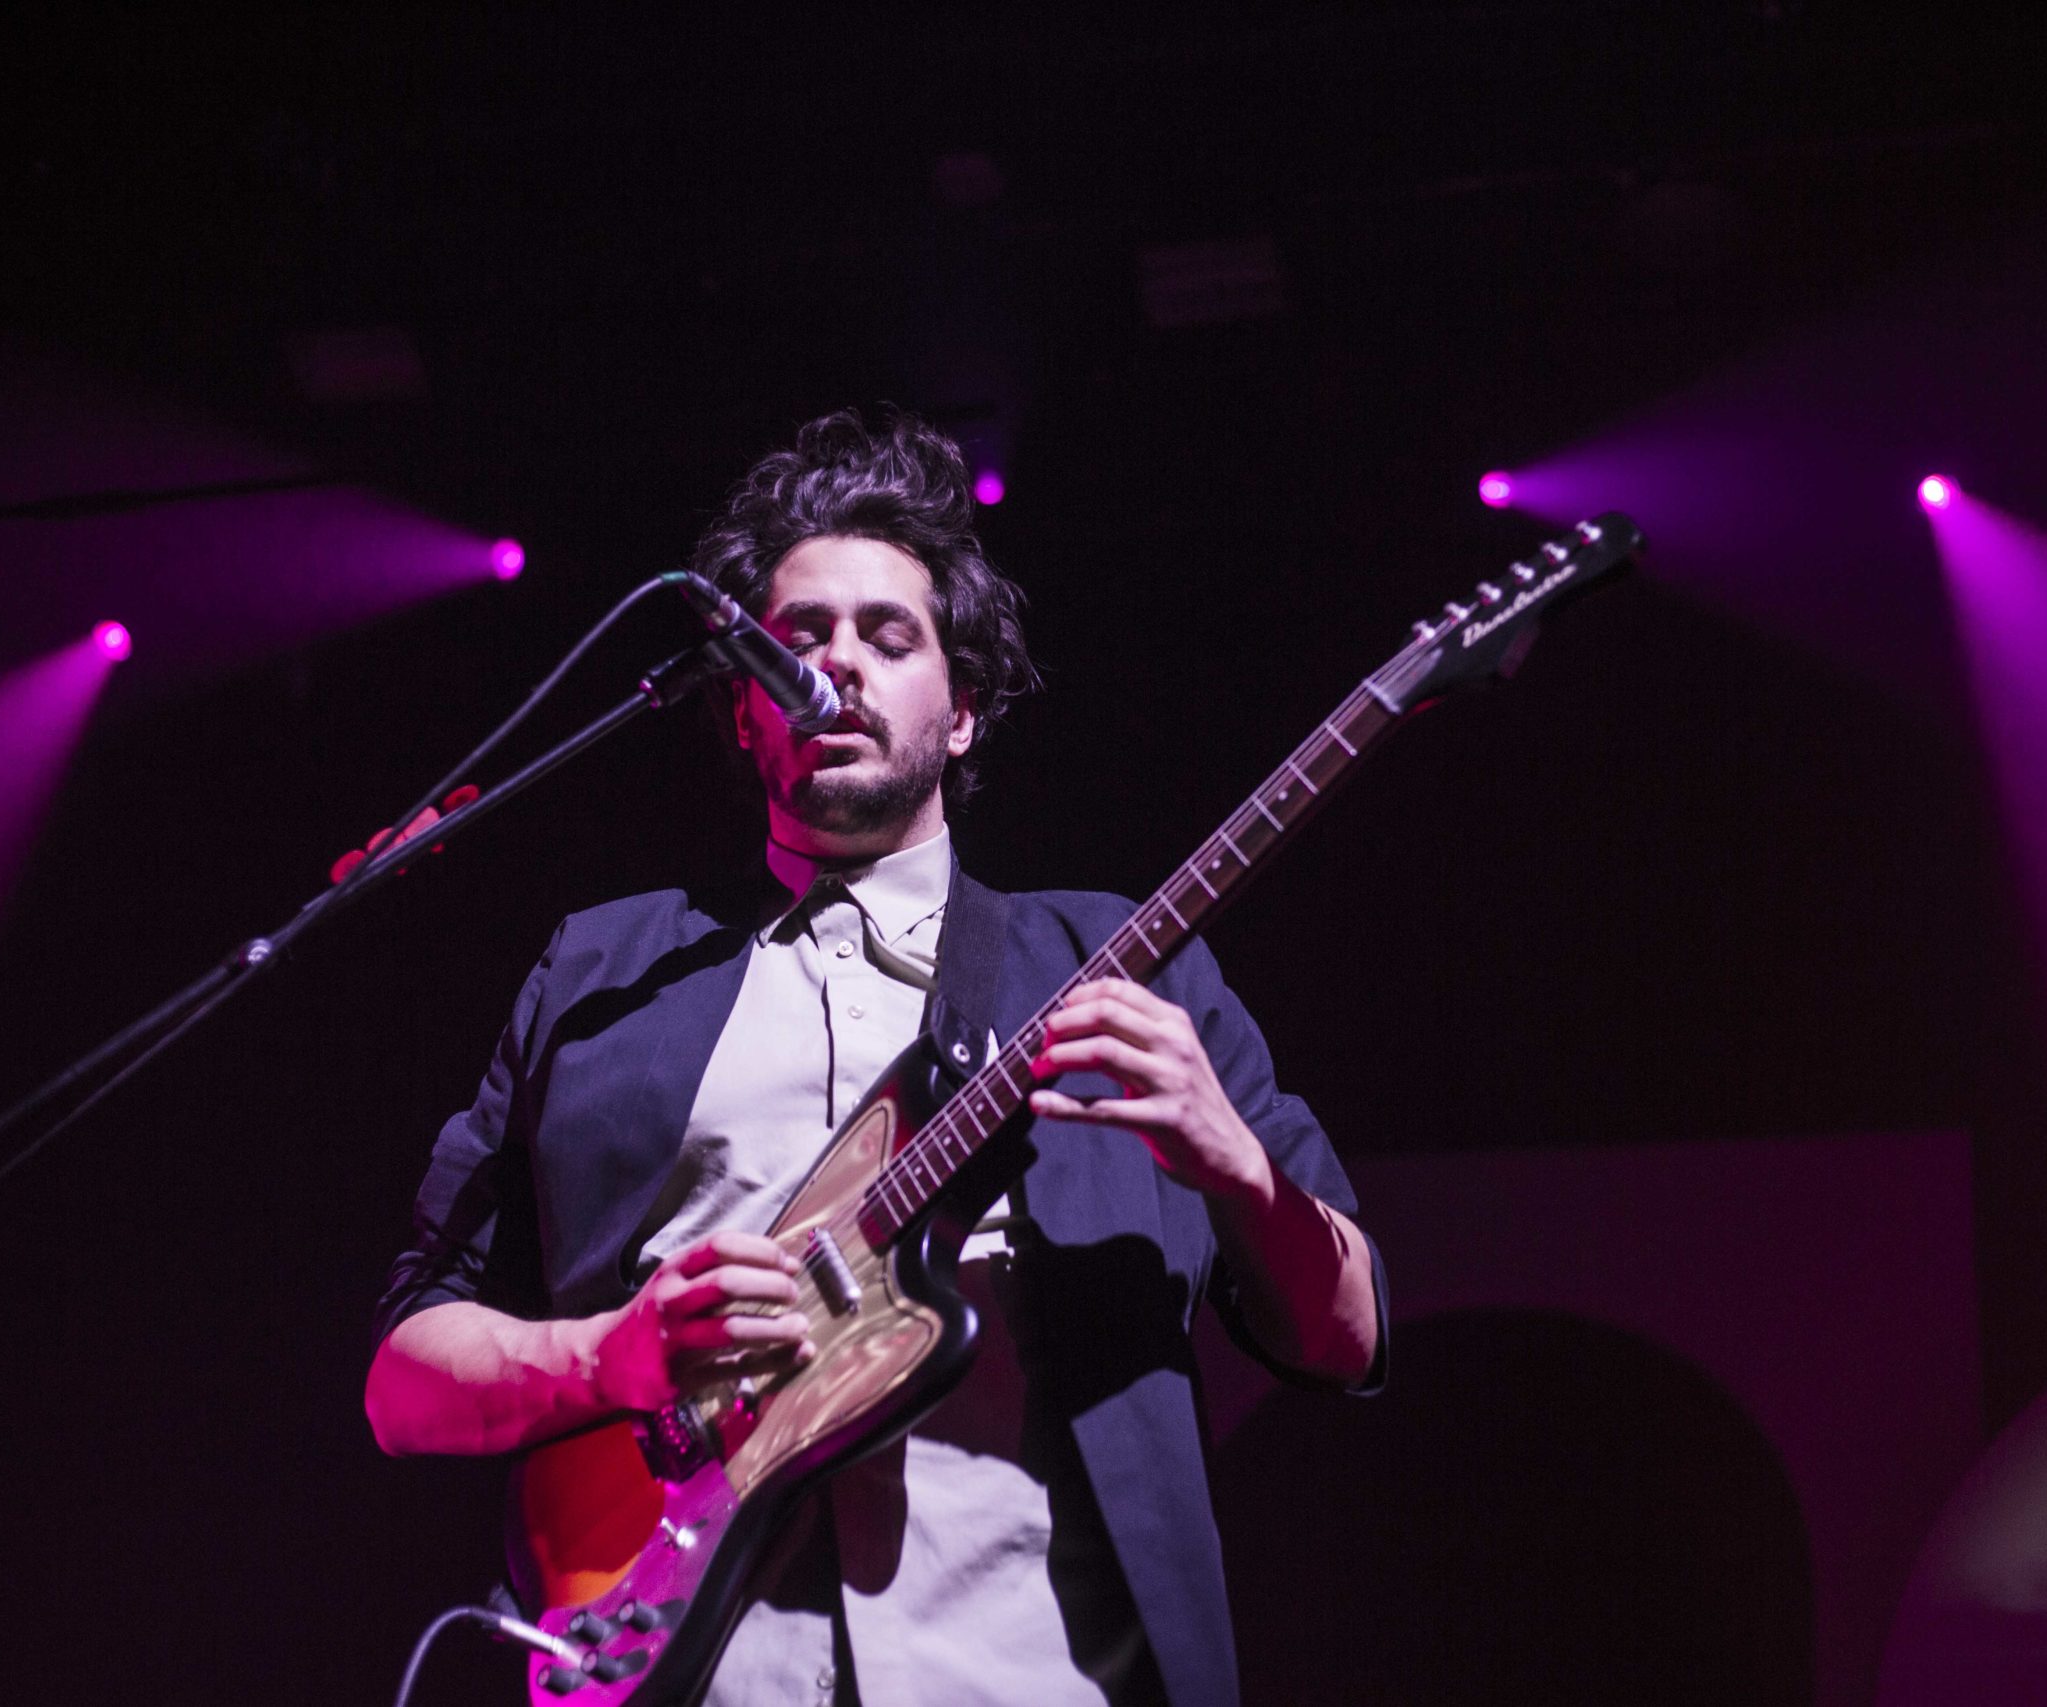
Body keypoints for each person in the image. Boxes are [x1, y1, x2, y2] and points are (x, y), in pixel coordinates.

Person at [364, 410, 1386, 1707]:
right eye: (797, 639)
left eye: (889, 638)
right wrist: (611, 1356)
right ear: (744, 711)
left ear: (963, 713)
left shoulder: (1120, 963)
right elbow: (403, 1385)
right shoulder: (603, 974)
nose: (836, 664)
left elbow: (1351, 1334)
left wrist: (1236, 1166)